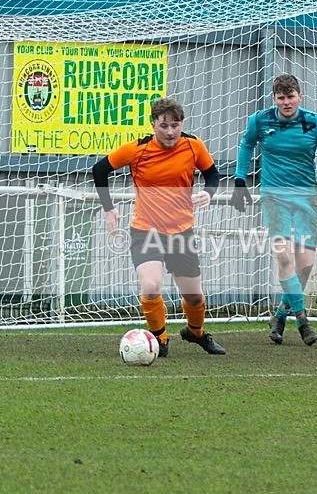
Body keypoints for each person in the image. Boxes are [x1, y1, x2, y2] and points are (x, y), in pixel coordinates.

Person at [92, 97, 226, 357]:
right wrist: (109, 208)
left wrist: (209, 193)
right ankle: (159, 339)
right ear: (153, 124)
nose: (170, 132)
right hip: (145, 231)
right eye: (164, 126)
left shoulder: (193, 146)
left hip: (181, 232)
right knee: (151, 285)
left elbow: (212, 174)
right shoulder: (136, 149)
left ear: (181, 124)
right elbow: (99, 170)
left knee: (194, 297)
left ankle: (195, 332)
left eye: (175, 125)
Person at [231, 73, 317, 346]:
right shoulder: (260, 120)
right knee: (285, 260)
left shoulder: (313, 122)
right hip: (273, 196)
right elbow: (247, 144)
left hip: (307, 197)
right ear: (274, 99)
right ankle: (303, 321)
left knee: (305, 265)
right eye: (281, 97)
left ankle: (280, 316)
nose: (286, 102)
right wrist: (239, 180)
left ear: (299, 97)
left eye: (291, 96)